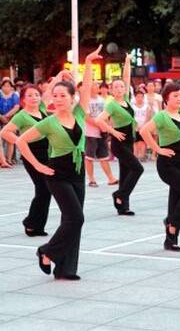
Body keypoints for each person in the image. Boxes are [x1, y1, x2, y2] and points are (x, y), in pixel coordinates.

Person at [15, 45, 97, 280]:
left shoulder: (80, 113)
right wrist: (39, 166)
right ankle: (46, 252)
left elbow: (88, 87)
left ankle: (66, 269)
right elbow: (21, 141)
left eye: (63, 96)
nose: (58, 99)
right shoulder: (48, 122)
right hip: (57, 174)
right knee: (76, 218)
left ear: (73, 99)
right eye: (55, 96)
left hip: (77, 171)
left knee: (72, 221)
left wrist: (89, 62)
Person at [140, 83, 180, 252]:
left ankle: (171, 239)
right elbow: (144, 131)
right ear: (166, 98)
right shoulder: (162, 116)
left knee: (176, 198)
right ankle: (172, 222)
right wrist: (157, 149)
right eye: (175, 96)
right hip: (167, 165)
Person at [0, 82, 57, 236]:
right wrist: (19, 141)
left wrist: (60, 76)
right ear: (23, 99)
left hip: (48, 153)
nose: (34, 98)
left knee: (46, 190)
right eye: (29, 95)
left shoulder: (43, 109)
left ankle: (36, 225)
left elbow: (49, 90)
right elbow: (5, 132)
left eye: (36, 95)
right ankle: (31, 224)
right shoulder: (22, 115)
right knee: (43, 189)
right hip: (32, 154)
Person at [95, 54, 143, 216]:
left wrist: (128, 61)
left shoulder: (127, 100)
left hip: (129, 141)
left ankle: (123, 206)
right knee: (137, 169)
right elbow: (99, 121)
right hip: (118, 142)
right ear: (111, 90)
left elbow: (127, 77)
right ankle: (120, 195)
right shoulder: (112, 104)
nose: (120, 89)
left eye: (122, 87)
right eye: (116, 87)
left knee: (125, 173)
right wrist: (113, 131)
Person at [84, 82, 118, 186]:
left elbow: (106, 116)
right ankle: (91, 179)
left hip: (102, 132)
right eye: (93, 85)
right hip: (90, 133)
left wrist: (106, 127)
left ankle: (111, 178)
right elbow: (86, 117)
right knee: (89, 157)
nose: (96, 87)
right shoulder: (85, 101)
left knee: (104, 156)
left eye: (97, 85)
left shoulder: (102, 100)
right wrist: (99, 125)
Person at [0, 79, 20, 166]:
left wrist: (7, 116)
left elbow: (16, 107)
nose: (6, 88)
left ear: (12, 87)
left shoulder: (14, 95)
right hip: (0, 118)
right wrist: (1, 117)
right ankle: (2, 159)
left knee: (10, 140)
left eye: (8, 86)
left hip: (11, 119)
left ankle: (9, 159)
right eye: (4, 86)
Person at [132, 88, 153, 161]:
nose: (139, 98)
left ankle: (141, 155)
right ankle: (135, 155)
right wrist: (136, 125)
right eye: (138, 97)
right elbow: (132, 117)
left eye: (141, 97)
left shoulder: (147, 106)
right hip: (135, 127)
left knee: (142, 141)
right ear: (135, 97)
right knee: (135, 142)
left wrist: (144, 125)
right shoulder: (132, 107)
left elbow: (148, 116)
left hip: (144, 127)